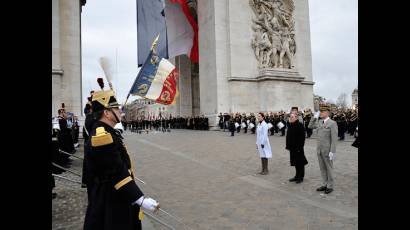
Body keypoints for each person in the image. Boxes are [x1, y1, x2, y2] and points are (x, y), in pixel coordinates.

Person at [83, 88, 159, 230]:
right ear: (106, 113)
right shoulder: (102, 136)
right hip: (111, 199)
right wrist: (140, 199)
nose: (120, 111)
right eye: (116, 108)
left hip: (115, 193)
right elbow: (116, 171)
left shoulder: (107, 131)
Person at [308, 104, 338, 194]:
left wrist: (332, 151)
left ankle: (330, 186)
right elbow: (310, 126)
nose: (320, 113)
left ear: (327, 113)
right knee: (322, 169)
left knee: (329, 168)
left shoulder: (332, 123)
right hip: (319, 150)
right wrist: (314, 117)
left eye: (322, 111)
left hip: (327, 151)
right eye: (320, 111)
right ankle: (324, 184)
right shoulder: (319, 122)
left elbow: (334, 139)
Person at [286, 113, 308, 183]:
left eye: (292, 117)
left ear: (296, 118)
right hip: (292, 148)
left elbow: (302, 138)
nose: (290, 118)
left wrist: (300, 147)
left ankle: (301, 177)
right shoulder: (290, 125)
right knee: (295, 162)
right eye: (290, 117)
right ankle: (296, 176)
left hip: (298, 148)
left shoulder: (300, 125)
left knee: (300, 162)